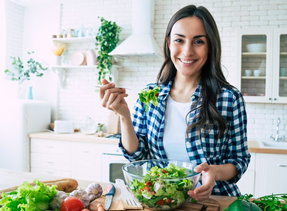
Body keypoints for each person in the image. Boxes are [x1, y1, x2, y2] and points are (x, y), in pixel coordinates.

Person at [99, 5, 251, 200]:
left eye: (198, 41)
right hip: (161, 201)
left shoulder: (229, 98)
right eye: (179, 40)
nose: (187, 51)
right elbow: (137, 156)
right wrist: (124, 117)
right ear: (169, 43)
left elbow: (239, 160)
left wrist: (213, 172)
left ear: (210, 46)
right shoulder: (150, 95)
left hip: (215, 200)